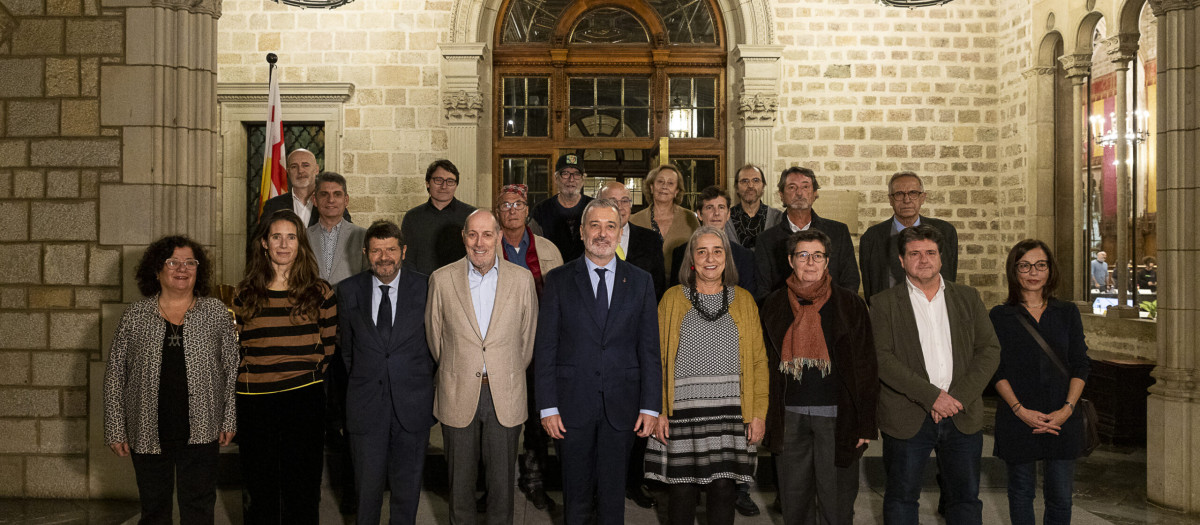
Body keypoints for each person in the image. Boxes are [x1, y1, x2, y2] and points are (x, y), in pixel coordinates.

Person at [535, 198, 662, 525]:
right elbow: (546, 347)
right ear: (581, 232)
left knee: (612, 498)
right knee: (575, 496)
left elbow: (649, 348)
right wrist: (547, 406)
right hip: (570, 405)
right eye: (595, 225)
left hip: (623, 406)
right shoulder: (560, 280)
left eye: (610, 226)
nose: (602, 234)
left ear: (620, 233)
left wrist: (650, 406)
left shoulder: (640, 281)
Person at [103, 235, 238, 525]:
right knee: (154, 511)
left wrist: (229, 420)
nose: (182, 268)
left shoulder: (215, 312)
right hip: (148, 429)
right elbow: (115, 374)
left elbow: (231, 368)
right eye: (173, 262)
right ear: (157, 270)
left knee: (199, 509)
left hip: (202, 428)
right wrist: (116, 429)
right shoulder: (136, 315)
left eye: (190, 262)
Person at [871, 224, 1000, 525]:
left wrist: (957, 399)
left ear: (941, 258)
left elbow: (989, 350)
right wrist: (932, 397)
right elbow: (882, 358)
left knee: (965, 499)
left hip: (961, 414)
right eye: (914, 253)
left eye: (930, 252)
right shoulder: (883, 303)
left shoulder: (967, 297)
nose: (924, 259)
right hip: (907, 415)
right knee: (902, 498)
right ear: (901, 261)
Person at [646, 226, 769, 525]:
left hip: (730, 417)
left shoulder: (744, 301)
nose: (710, 258)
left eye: (717, 251)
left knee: (724, 491)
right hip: (682, 416)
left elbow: (758, 362)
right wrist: (658, 411)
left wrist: (758, 414)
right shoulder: (672, 299)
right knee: (681, 494)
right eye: (701, 251)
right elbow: (656, 360)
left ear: (727, 259)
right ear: (691, 259)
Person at [427, 210, 539, 525]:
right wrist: (463, 366)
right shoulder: (441, 279)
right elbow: (436, 339)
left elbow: (526, 342)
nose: (480, 242)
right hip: (458, 389)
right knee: (458, 483)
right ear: (464, 237)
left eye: (487, 234)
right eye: (473, 234)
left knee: (502, 485)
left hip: (504, 391)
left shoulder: (521, 279)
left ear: (499, 237)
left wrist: (502, 370)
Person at [760, 230, 879, 524]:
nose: (810, 262)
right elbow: (761, 364)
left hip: (838, 416)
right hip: (789, 416)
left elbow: (866, 365)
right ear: (790, 261)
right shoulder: (773, 305)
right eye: (802, 255)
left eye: (817, 255)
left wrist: (865, 421)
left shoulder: (850, 305)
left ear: (827, 262)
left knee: (837, 502)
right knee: (794, 500)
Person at [234, 210, 338, 525]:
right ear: (264, 243)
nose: (283, 244)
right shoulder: (244, 293)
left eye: (291, 237)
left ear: (300, 243)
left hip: (303, 398)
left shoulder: (321, 292)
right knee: (259, 485)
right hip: (255, 400)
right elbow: (238, 347)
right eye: (276, 237)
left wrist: (299, 377)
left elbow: (328, 349)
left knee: (303, 487)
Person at [336, 220, 437, 525]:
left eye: (390, 249)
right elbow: (346, 352)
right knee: (367, 492)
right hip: (366, 407)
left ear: (403, 251)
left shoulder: (427, 287)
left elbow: (436, 343)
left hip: (413, 405)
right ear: (366, 253)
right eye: (376, 250)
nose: (384, 257)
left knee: (407, 492)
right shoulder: (347, 290)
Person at [990, 240, 1091, 525]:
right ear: (1014, 271)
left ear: (1049, 270)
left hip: (1062, 414)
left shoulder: (1067, 312)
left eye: (1040, 265)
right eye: (1025, 265)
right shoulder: (1000, 316)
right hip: (1018, 414)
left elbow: (1080, 364)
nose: (1033, 272)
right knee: (1021, 492)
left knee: (1060, 495)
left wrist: (1067, 410)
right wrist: (1020, 410)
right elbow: (996, 370)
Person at [495, 184, 562, 510]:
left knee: (538, 420)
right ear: (498, 212)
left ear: (527, 210)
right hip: (499, 346)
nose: (511, 210)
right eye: (505, 204)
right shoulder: (486, 246)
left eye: (518, 204)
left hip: (539, 346)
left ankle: (534, 481)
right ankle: (495, 484)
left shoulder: (547, 249)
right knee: (499, 420)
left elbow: (561, 300)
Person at [307, 170, 365, 514]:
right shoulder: (301, 236)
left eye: (337, 194)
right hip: (310, 339)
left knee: (349, 416)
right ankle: (308, 493)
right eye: (325, 194)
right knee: (314, 416)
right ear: (315, 200)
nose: (331, 200)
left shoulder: (361, 236)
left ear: (346, 199)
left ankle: (353, 495)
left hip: (348, 340)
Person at [754, 166, 860, 297]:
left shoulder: (838, 232)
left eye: (805, 187)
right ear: (781, 195)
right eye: (792, 187)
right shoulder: (766, 240)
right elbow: (762, 289)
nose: (799, 193)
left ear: (815, 193)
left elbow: (850, 281)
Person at [860, 171, 959, 301]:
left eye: (913, 193)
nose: (906, 200)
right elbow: (870, 286)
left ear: (922, 197)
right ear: (890, 199)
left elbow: (949, 277)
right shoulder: (871, 237)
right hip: (889, 314)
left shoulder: (945, 232)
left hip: (934, 309)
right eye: (899, 194)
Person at [669, 186, 757, 297]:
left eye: (721, 207)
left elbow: (748, 299)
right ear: (700, 214)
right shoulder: (681, 253)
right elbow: (676, 296)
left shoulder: (745, 256)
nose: (716, 213)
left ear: (728, 214)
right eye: (710, 207)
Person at [401, 159, 476, 275]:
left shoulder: (470, 215)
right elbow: (407, 258)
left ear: (456, 185)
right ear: (427, 183)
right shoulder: (412, 217)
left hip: (461, 285)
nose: (444, 186)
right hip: (422, 286)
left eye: (450, 181)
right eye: (438, 180)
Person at [597, 180, 666, 302]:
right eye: (612, 201)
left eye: (624, 201)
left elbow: (658, 289)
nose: (619, 207)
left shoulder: (651, 240)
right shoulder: (589, 240)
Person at [629, 164, 700, 276]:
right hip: (646, 286)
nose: (664, 186)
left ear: (676, 190)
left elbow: (698, 252)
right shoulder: (634, 220)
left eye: (670, 183)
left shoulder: (690, 218)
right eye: (660, 182)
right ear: (652, 187)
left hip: (682, 283)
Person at [259, 148, 350, 227]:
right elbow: (259, 241)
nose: (300, 171)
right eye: (294, 166)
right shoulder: (273, 205)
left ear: (316, 169)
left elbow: (346, 236)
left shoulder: (332, 204)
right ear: (288, 172)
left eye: (305, 165)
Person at [530, 154, 594, 262]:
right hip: (551, 273)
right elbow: (531, 246)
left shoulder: (594, 207)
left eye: (577, 174)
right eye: (565, 174)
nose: (571, 179)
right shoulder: (541, 210)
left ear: (583, 179)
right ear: (556, 178)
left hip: (588, 274)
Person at [726, 163, 782, 249]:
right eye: (745, 181)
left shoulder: (777, 217)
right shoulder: (726, 218)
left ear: (763, 186)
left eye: (756, 180)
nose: (750, 186)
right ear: (736, 187)